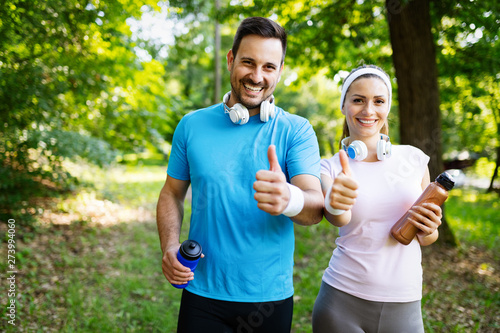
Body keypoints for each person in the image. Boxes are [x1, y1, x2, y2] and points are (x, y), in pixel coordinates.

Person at [156, 17, 324, 333]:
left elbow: (315, 208)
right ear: (231, 59)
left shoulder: (296, 130)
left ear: (280, 70)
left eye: (269, 67)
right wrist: (169, 245)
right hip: (201, 293)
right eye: (248, 62)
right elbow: (171, 193)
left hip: (268, 299)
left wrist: (289, 199)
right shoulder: (191, 126)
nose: (257, 76)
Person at [312, 65, 443, 333]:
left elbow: (427, 238)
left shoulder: (414, 159)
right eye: (358, 100)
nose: (368, 110)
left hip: (404, 304)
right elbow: (337, 217)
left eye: (378, 101)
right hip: (341, 302)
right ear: (344, 105)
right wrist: (337, 200)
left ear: (387, 107)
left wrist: (431, 229)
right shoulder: (328, 167)